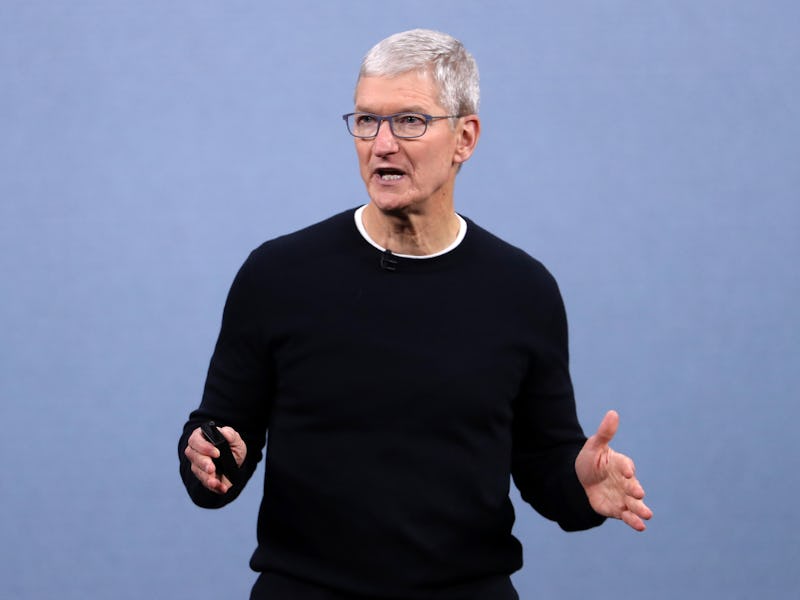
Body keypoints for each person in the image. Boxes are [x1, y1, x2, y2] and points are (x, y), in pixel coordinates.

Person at [179, 28, 652, 600]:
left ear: (465, 138)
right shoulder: (277, 275)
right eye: (366, 120)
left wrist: (582, 483)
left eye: (409, 121)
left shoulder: (523, 290)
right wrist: (207, 458)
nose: (382, 144)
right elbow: (221, 439)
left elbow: (544, 462)